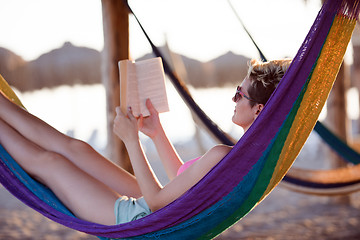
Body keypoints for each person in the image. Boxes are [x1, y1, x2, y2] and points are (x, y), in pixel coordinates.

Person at [0, 58, 291, 226]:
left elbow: (155, 202)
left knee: (53, 163)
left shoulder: (223, 154)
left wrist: (131, 141)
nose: (234, 98)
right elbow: (184, 180)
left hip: (143, 218)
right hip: (161, 212)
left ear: (258, 110)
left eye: (240, 94)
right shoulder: (241, 157)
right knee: (77, 149)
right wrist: (156, 131)